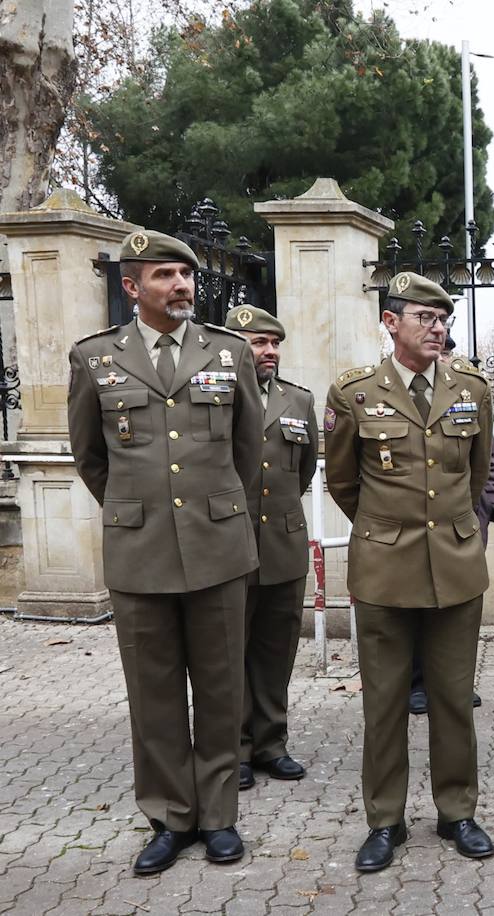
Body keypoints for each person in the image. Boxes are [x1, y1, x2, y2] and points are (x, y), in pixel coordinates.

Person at [67, 230, 264, 874]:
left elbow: (248, 451)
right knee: (152, 693)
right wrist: (138, 508)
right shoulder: (95, 359)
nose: (182, 284)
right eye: (164, 275)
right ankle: (169, 818)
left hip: (218, 545)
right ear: (131, 287)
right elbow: (91, 459)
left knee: (219, 687)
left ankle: (218, 816)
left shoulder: (228, 351)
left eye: (186, 273)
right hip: (140, 550)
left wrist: (213, 507)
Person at [324, 271, 494, 872]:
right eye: (425, 317)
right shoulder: (354, 393)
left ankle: (457, 812)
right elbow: (343, 481)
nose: (438, 327)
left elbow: (477, 475)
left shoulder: (471, 388)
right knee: (386, 702)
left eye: (443, 318)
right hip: (383, 571)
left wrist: (448, 527)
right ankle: (385, 821)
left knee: (452, 698)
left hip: (455, 565)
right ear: (391, 323)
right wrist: (387, 528)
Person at [226, 305, 318, 792]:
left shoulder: (297, 401)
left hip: (282, 544)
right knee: (229, 650)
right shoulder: (216, 397)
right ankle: (234, 748)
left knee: (276, 649)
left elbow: (304, 472)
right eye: (260, 343)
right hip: (229, 545)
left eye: (275, 343)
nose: (269, 352)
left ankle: (271, 744)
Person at [408, 337, 494, 715]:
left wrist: (485, 509)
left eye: (446, 352)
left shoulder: (468, 394)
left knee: (458, 606)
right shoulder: (394, 397)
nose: (441, 358)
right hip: (411, 528)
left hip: (464, 525)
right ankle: (417, 683)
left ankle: (455, 682)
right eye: (437, 351)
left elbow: (488, 462)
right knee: (415, 604)